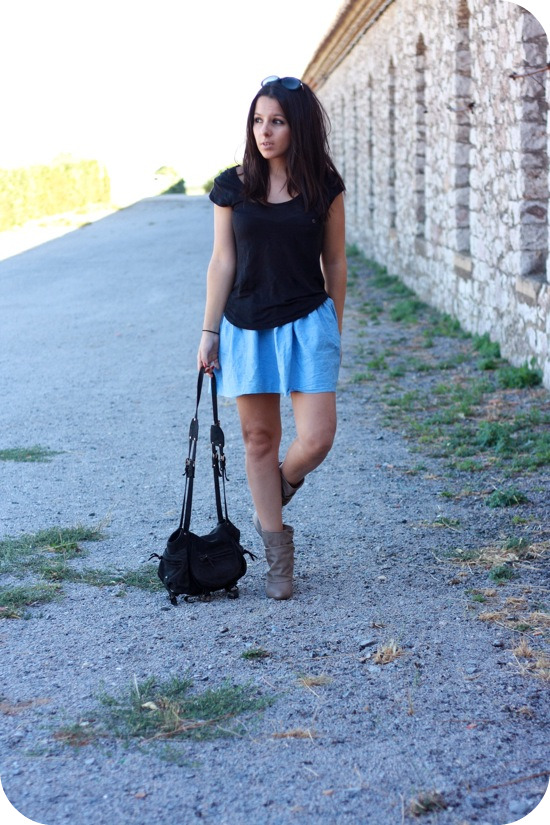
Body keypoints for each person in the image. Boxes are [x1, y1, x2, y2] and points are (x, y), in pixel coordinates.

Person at [197, 75, 346, 600]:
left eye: (277, 121)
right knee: (259, 439)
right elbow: (222, 261)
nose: (265, 131)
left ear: (297, 127)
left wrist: (334, 327)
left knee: (317, 438)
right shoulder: (232, 187)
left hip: (307, 321)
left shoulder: (324, 185)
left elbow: (335, 261)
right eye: (258, 121)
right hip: (245, 326)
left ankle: (278, 487)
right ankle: (279, 563)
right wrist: (209, 331)